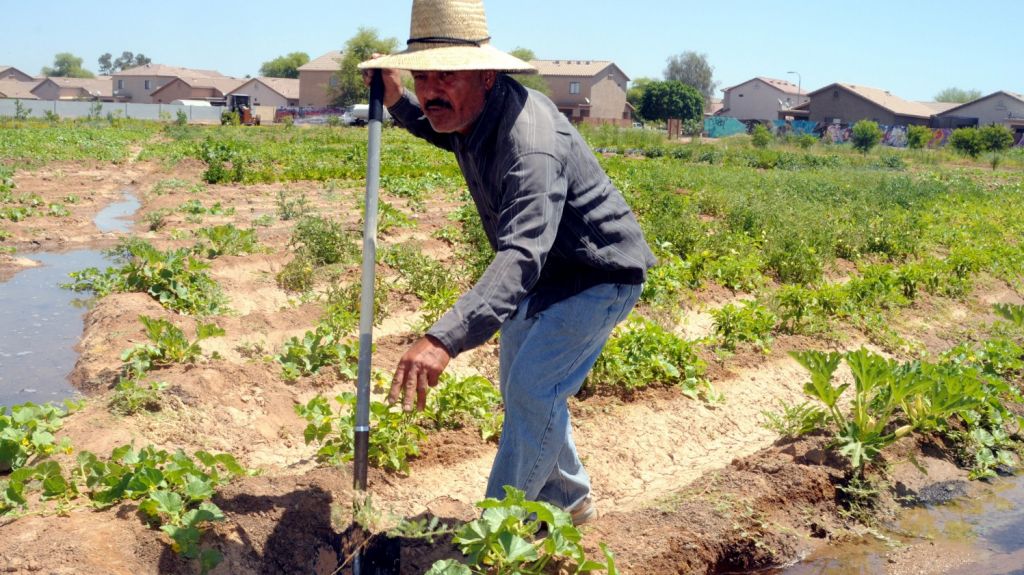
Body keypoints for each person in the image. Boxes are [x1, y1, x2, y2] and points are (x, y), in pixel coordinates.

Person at [360, 0, 655, 524]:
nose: (431, 89)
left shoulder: (530, 144)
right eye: (422, 75)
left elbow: (521, 254)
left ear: (487, 75)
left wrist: (442, 338)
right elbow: (442, 126)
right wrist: (399, 101)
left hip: (596, 274)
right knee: (524, 391)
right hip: (546, 273)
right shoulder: (474, 111)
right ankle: (569, 498)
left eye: (446, 77)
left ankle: (499, 531)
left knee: (532, 389)